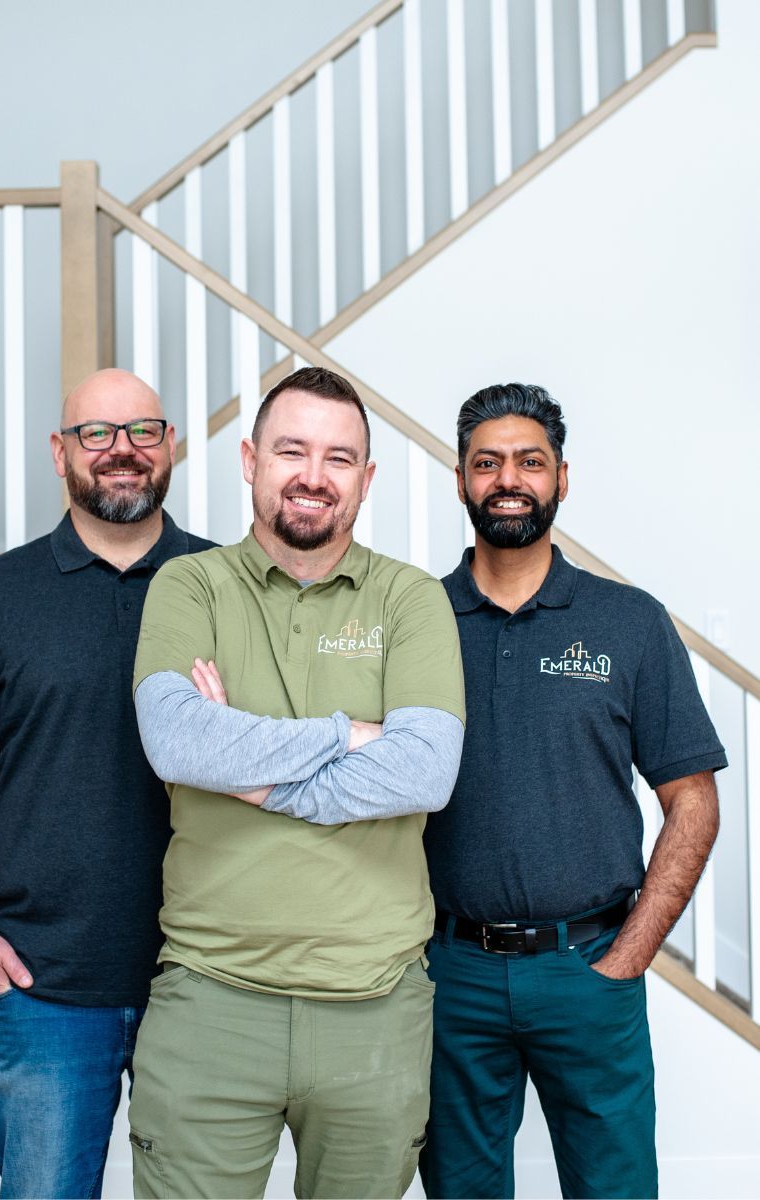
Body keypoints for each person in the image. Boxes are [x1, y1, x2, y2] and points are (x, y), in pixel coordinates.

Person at [128, 365, 465, 1200]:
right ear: (250, 460)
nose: (314, 475)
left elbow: (426, 770)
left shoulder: (411, 599)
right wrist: (348, 735)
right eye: (291, 450)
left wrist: (247, 775)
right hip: (211, 999)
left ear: (366, 479)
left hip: (375, 1006)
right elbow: (176, 741)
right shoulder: (189, 584)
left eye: (338, 458)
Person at [0, 368, 214, 1199]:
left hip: (208, 978)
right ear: (59, 451)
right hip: (45, 987)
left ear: (169, 445)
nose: (122, 450)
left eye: (142, 431)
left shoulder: (228, 583)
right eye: (96, 433)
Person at [419, 382, 727, 1200]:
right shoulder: (415, 619)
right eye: (487, 463)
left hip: (589, 967)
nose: (508, 479)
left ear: (562, 478)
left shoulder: (629, 622)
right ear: (461, 480)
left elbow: (693, 801)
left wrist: (628, 958)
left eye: (530, 462)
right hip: (452, 975)